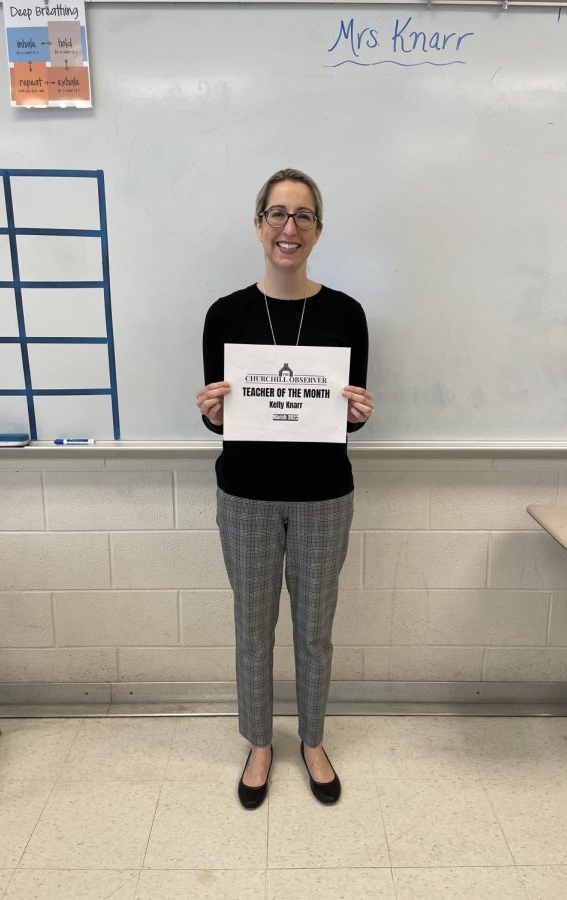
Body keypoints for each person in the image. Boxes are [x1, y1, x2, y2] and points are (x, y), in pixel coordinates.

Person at [196, 168, 374, 810]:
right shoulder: (226, 314)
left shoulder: (346, 313)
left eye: (302, 216)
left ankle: (313, 739)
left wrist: (357, 411)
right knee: (253, 624)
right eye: (277, 214)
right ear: (258, 224)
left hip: (324, 494)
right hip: (245, 493)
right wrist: (212, 411)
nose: (288, 228)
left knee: (315, 626)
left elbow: (346, 414)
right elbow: (218, 416)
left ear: (318, 230)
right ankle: (259, 742)